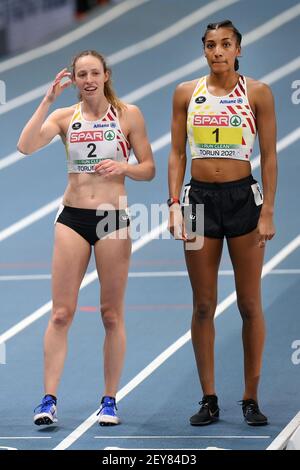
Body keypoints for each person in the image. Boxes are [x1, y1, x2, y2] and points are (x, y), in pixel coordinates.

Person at [18, 50, 155, 426]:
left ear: (106, 75)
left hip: (113, 218)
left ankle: (109, 400)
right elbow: (25, 146)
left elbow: (149, 169)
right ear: (74, 80)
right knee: (61, 313)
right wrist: (47, 100)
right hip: (72, 217)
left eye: (95, 72)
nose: (89, 79)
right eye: (82, 74)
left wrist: (123, 166)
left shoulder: (129, 115)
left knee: (111, 315)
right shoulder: (65, 117)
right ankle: (48, 400)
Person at [167, 20, 277, 426]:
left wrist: (268, 210)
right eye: (211, 45)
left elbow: (270, 155)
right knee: (203, 305)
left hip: (243, 200)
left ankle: (250, 398)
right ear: (204, 50)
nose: (217, 51)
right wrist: (174, 203)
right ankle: (209, 398)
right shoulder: (185, 94)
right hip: (198, 201)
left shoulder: (258, 93)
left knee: (249, 303)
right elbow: (177, 154)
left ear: (238, 50)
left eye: (225, 44)